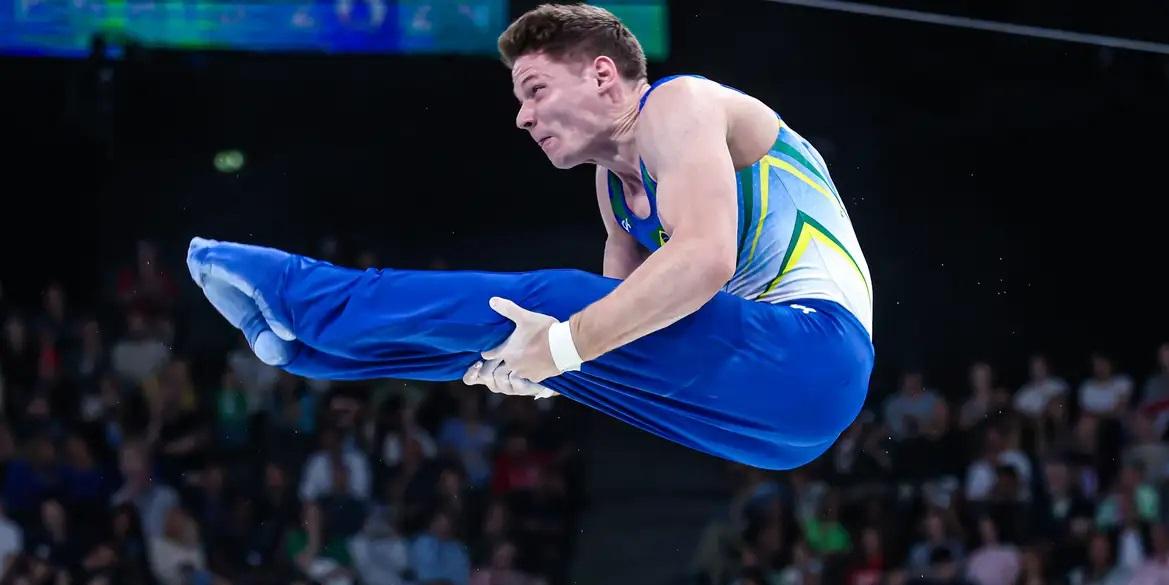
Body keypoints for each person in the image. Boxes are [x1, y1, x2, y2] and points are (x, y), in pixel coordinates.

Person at [185, 3, 874, 470]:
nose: (522, 116)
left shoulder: (679, 105)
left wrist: (562, 347)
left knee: (551, 305)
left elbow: (704, 260)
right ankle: (304, 349)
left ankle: (299, 292)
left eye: (535, 89)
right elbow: (630, 330)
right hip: (776, 427)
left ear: (602, 74)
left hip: (815, 352)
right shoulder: (613, 187)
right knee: (525, 334)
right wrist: (539, 371)